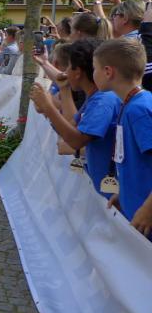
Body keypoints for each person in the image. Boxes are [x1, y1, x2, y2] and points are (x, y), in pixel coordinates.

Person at [30, 39, 121, 198]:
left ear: (77, 72)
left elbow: (76, 141)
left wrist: (49, 108)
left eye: (68, 67)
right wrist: (64, 89)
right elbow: (72, 125)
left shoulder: (103, 100)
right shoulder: (94, 97)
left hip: (115, 190)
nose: (64, 72)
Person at [92, 38, 152, 237]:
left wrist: (148, 209)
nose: (93, 74)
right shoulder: (131, 104)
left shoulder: (139, 110)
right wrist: (124, 194)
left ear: (108, 71)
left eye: (95, 68)